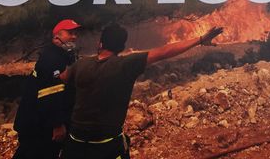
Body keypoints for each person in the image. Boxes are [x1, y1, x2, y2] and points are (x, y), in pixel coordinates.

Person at [60, 25, 224, 159]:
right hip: (106, 144)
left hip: (75, 141)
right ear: (122, 47)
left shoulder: (80, 64)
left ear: (100, 44)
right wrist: (199, 40)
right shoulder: (125, 65)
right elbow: (164, 52)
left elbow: (62, 78)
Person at [13, 19, 82, 159]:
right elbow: (50, 93)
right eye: (70, 33)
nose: (74, 36)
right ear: (57, 36)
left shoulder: (63, 55)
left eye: (75, 33)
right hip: (39, 125)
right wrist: (57, 124)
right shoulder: (51, 58)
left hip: (42, 122)